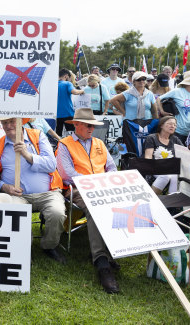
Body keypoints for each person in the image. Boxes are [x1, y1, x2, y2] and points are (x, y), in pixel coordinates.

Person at [0, 117, 67, 264]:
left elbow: (51, 165)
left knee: (57, 213)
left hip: (47, 193)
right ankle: (23, 249)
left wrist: (28, 155)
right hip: (17, 196)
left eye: (12, 121)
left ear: (21, 121)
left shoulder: (37, 135)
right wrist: (4, 186)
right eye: (5, 123)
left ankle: (49, 245)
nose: (8, 126)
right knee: (17, 215)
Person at [55, 108, 120, 293]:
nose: (91, 128)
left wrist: (106, 182)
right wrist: (95, 183)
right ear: (76, 125)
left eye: (93, 125)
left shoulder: (99, 142)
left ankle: (111, 251)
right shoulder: (65, 144)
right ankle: (101, 261)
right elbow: (67, 174)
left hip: (102, 188)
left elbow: (112, 168)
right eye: (88, 125)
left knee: (115, 206)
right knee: (96, 208)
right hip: (77, 190)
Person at [158, 70, 190, 145]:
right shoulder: (177, 91)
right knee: (178, 154)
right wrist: (162, 112)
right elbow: (159, 99)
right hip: (177, 131)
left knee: (189, 155)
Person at [143, 116, 183, 195]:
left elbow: (184, 153)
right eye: (170, 124)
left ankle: (173, 202)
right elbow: (148, 157)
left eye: (174, 125)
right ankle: (151, 198)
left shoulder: (175, 139)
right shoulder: (152, 138)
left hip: (170, 168)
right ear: (161, 125)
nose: (172, 126)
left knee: (175, 175)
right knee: (165, 176)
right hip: (154, 166)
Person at [57, 68, 85, 136]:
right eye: (69, 78)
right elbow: (74, 92)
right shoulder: (67, 83)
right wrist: (82, 91)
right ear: (66, 76)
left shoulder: (53, 84)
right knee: (72, 135)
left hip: (56, 114)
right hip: (67, 113)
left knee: (58, 135)